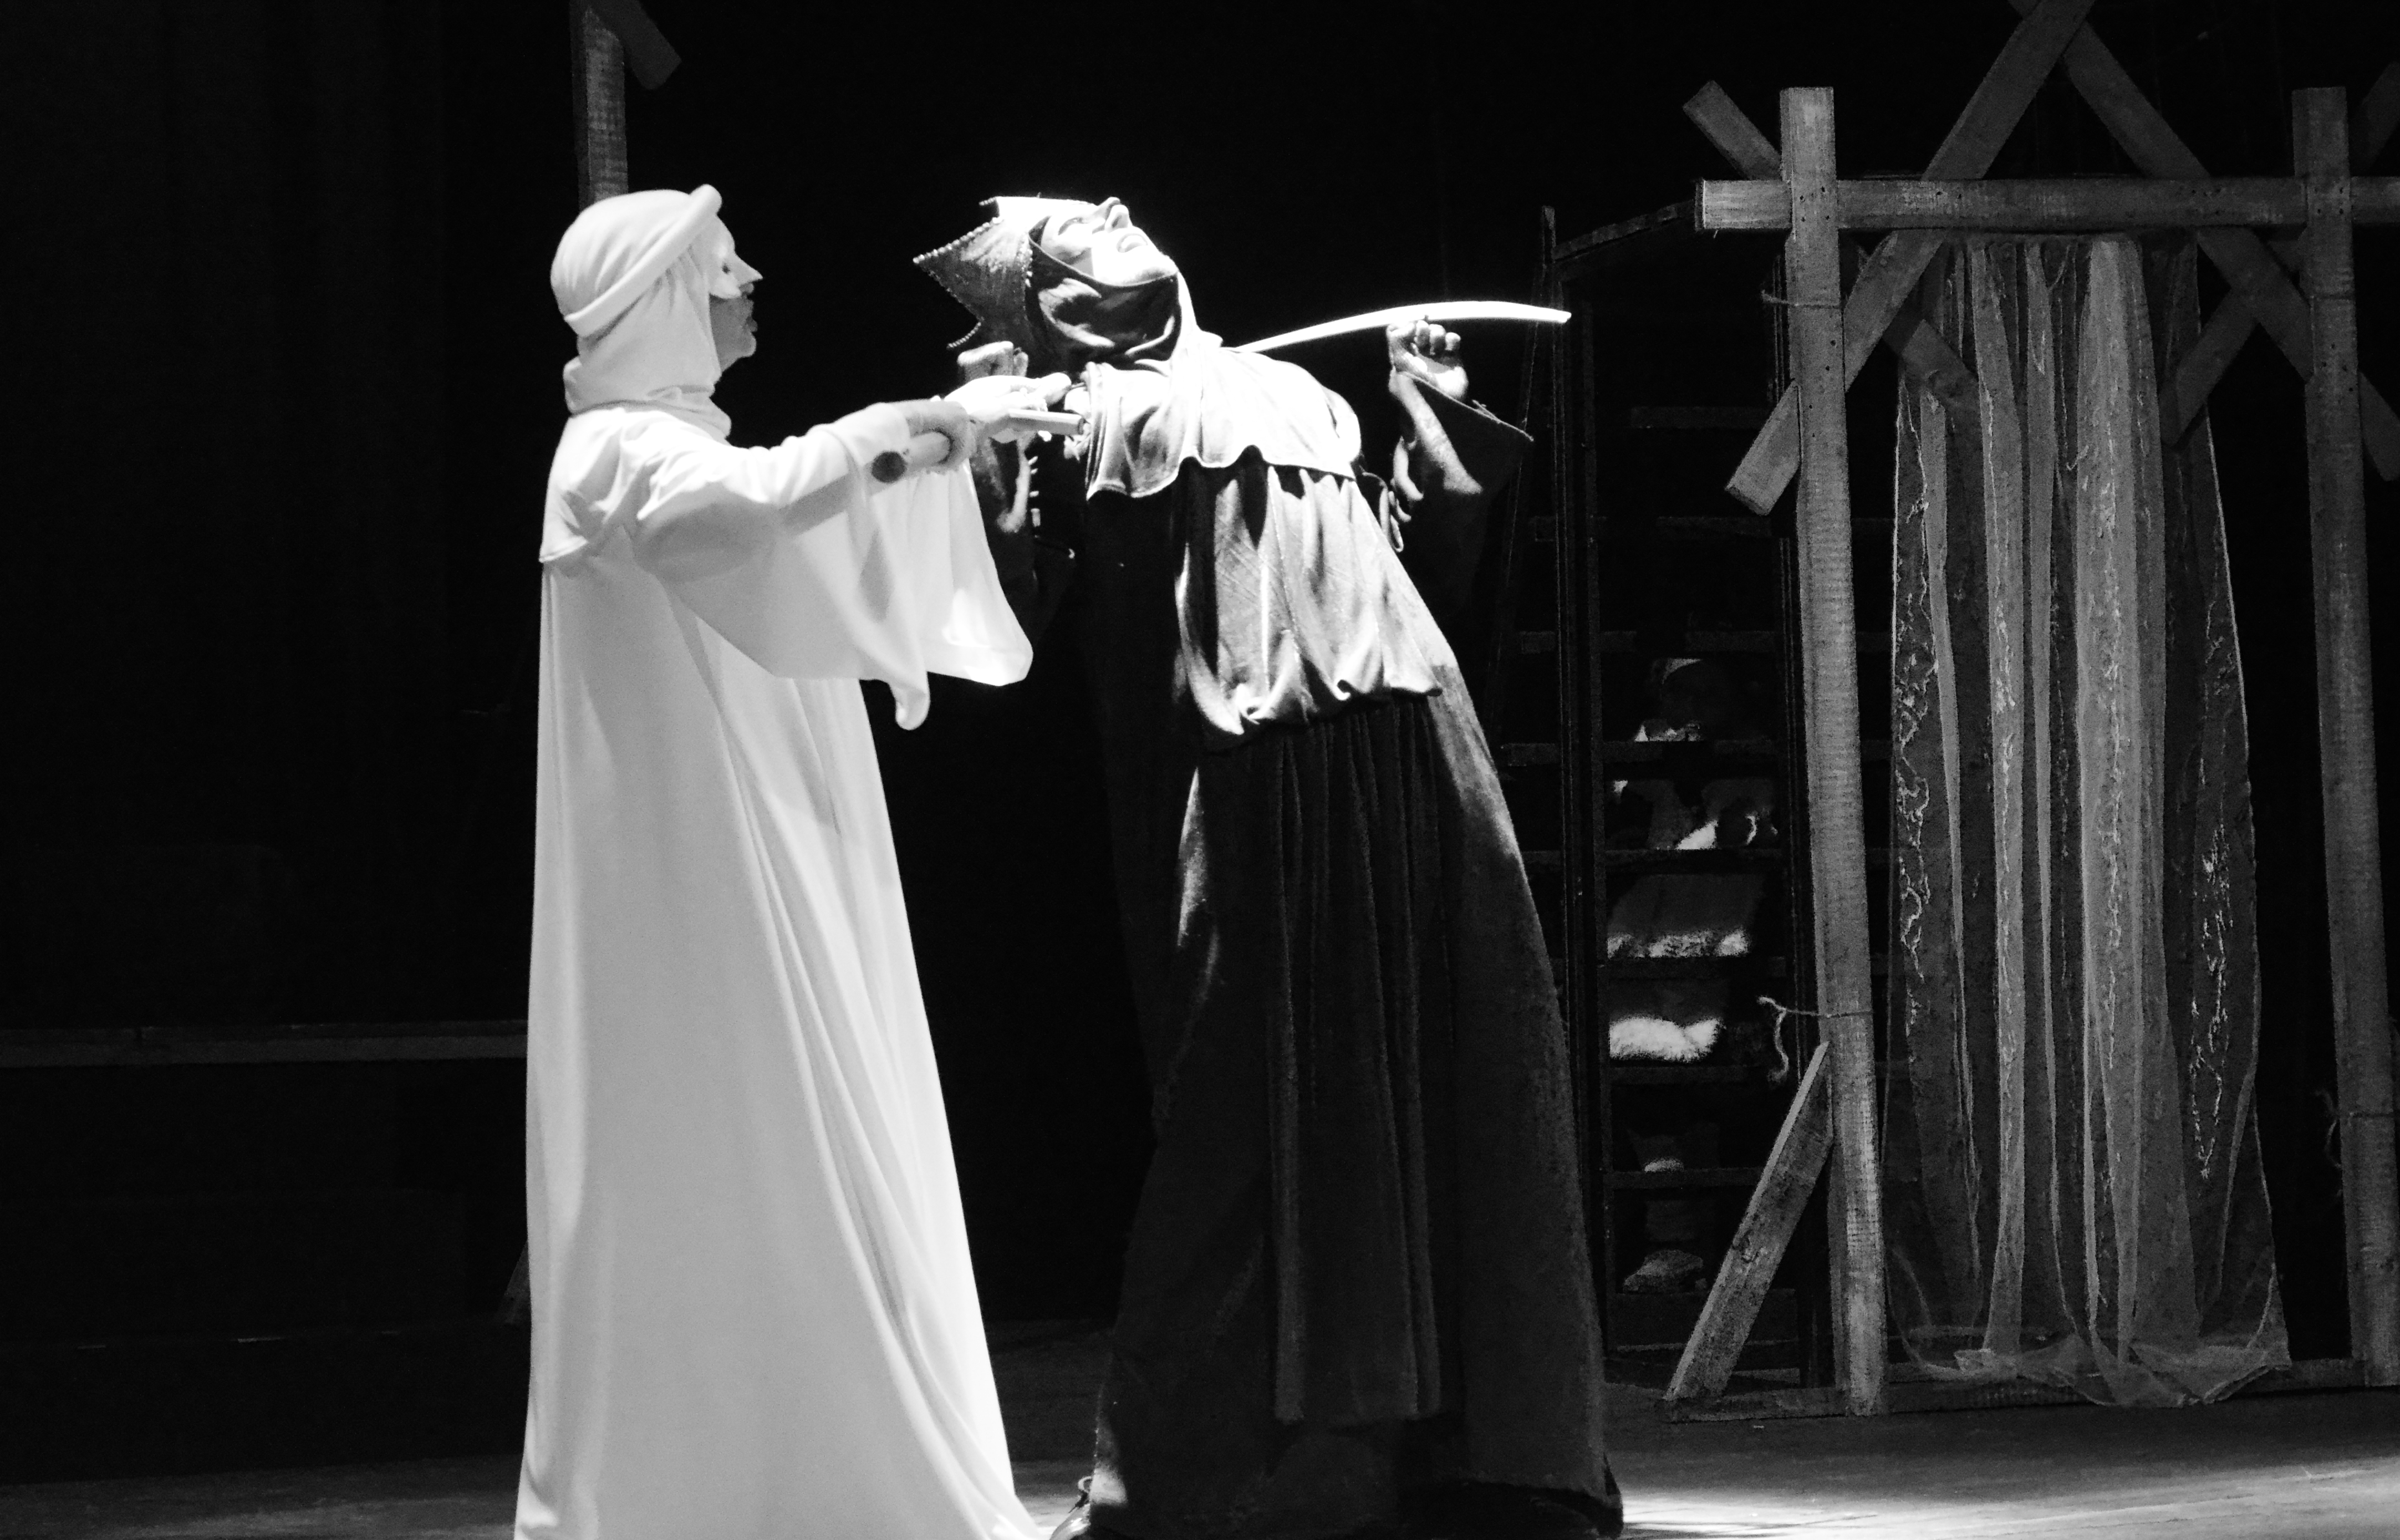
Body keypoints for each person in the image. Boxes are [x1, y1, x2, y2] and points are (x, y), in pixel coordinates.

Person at [916, 198, 1619, 1540]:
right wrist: (983, 448)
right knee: (1247, 1115)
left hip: (1413, 750)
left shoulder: (1289, 390)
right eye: (1077, 224)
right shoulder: (1067, 416)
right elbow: (1001, 619)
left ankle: (1480, 1463)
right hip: (1247, 785)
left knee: (1460, 1077)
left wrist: (1429, 408)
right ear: (1050, 299)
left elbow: (1410, 564)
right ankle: (1209, 1479)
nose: (1116, 213)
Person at [518, 185, 1064, 1540]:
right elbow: (752, 511)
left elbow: (787, 520)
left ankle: (805, 1449)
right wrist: (927, 422)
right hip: (701, 862)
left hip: (752, 822)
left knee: (797, 1098)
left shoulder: (654, 447)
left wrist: (944, 446)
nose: (751, 276)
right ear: (660, 301)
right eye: (722, 266)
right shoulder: (618, 452)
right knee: (745, 1110)